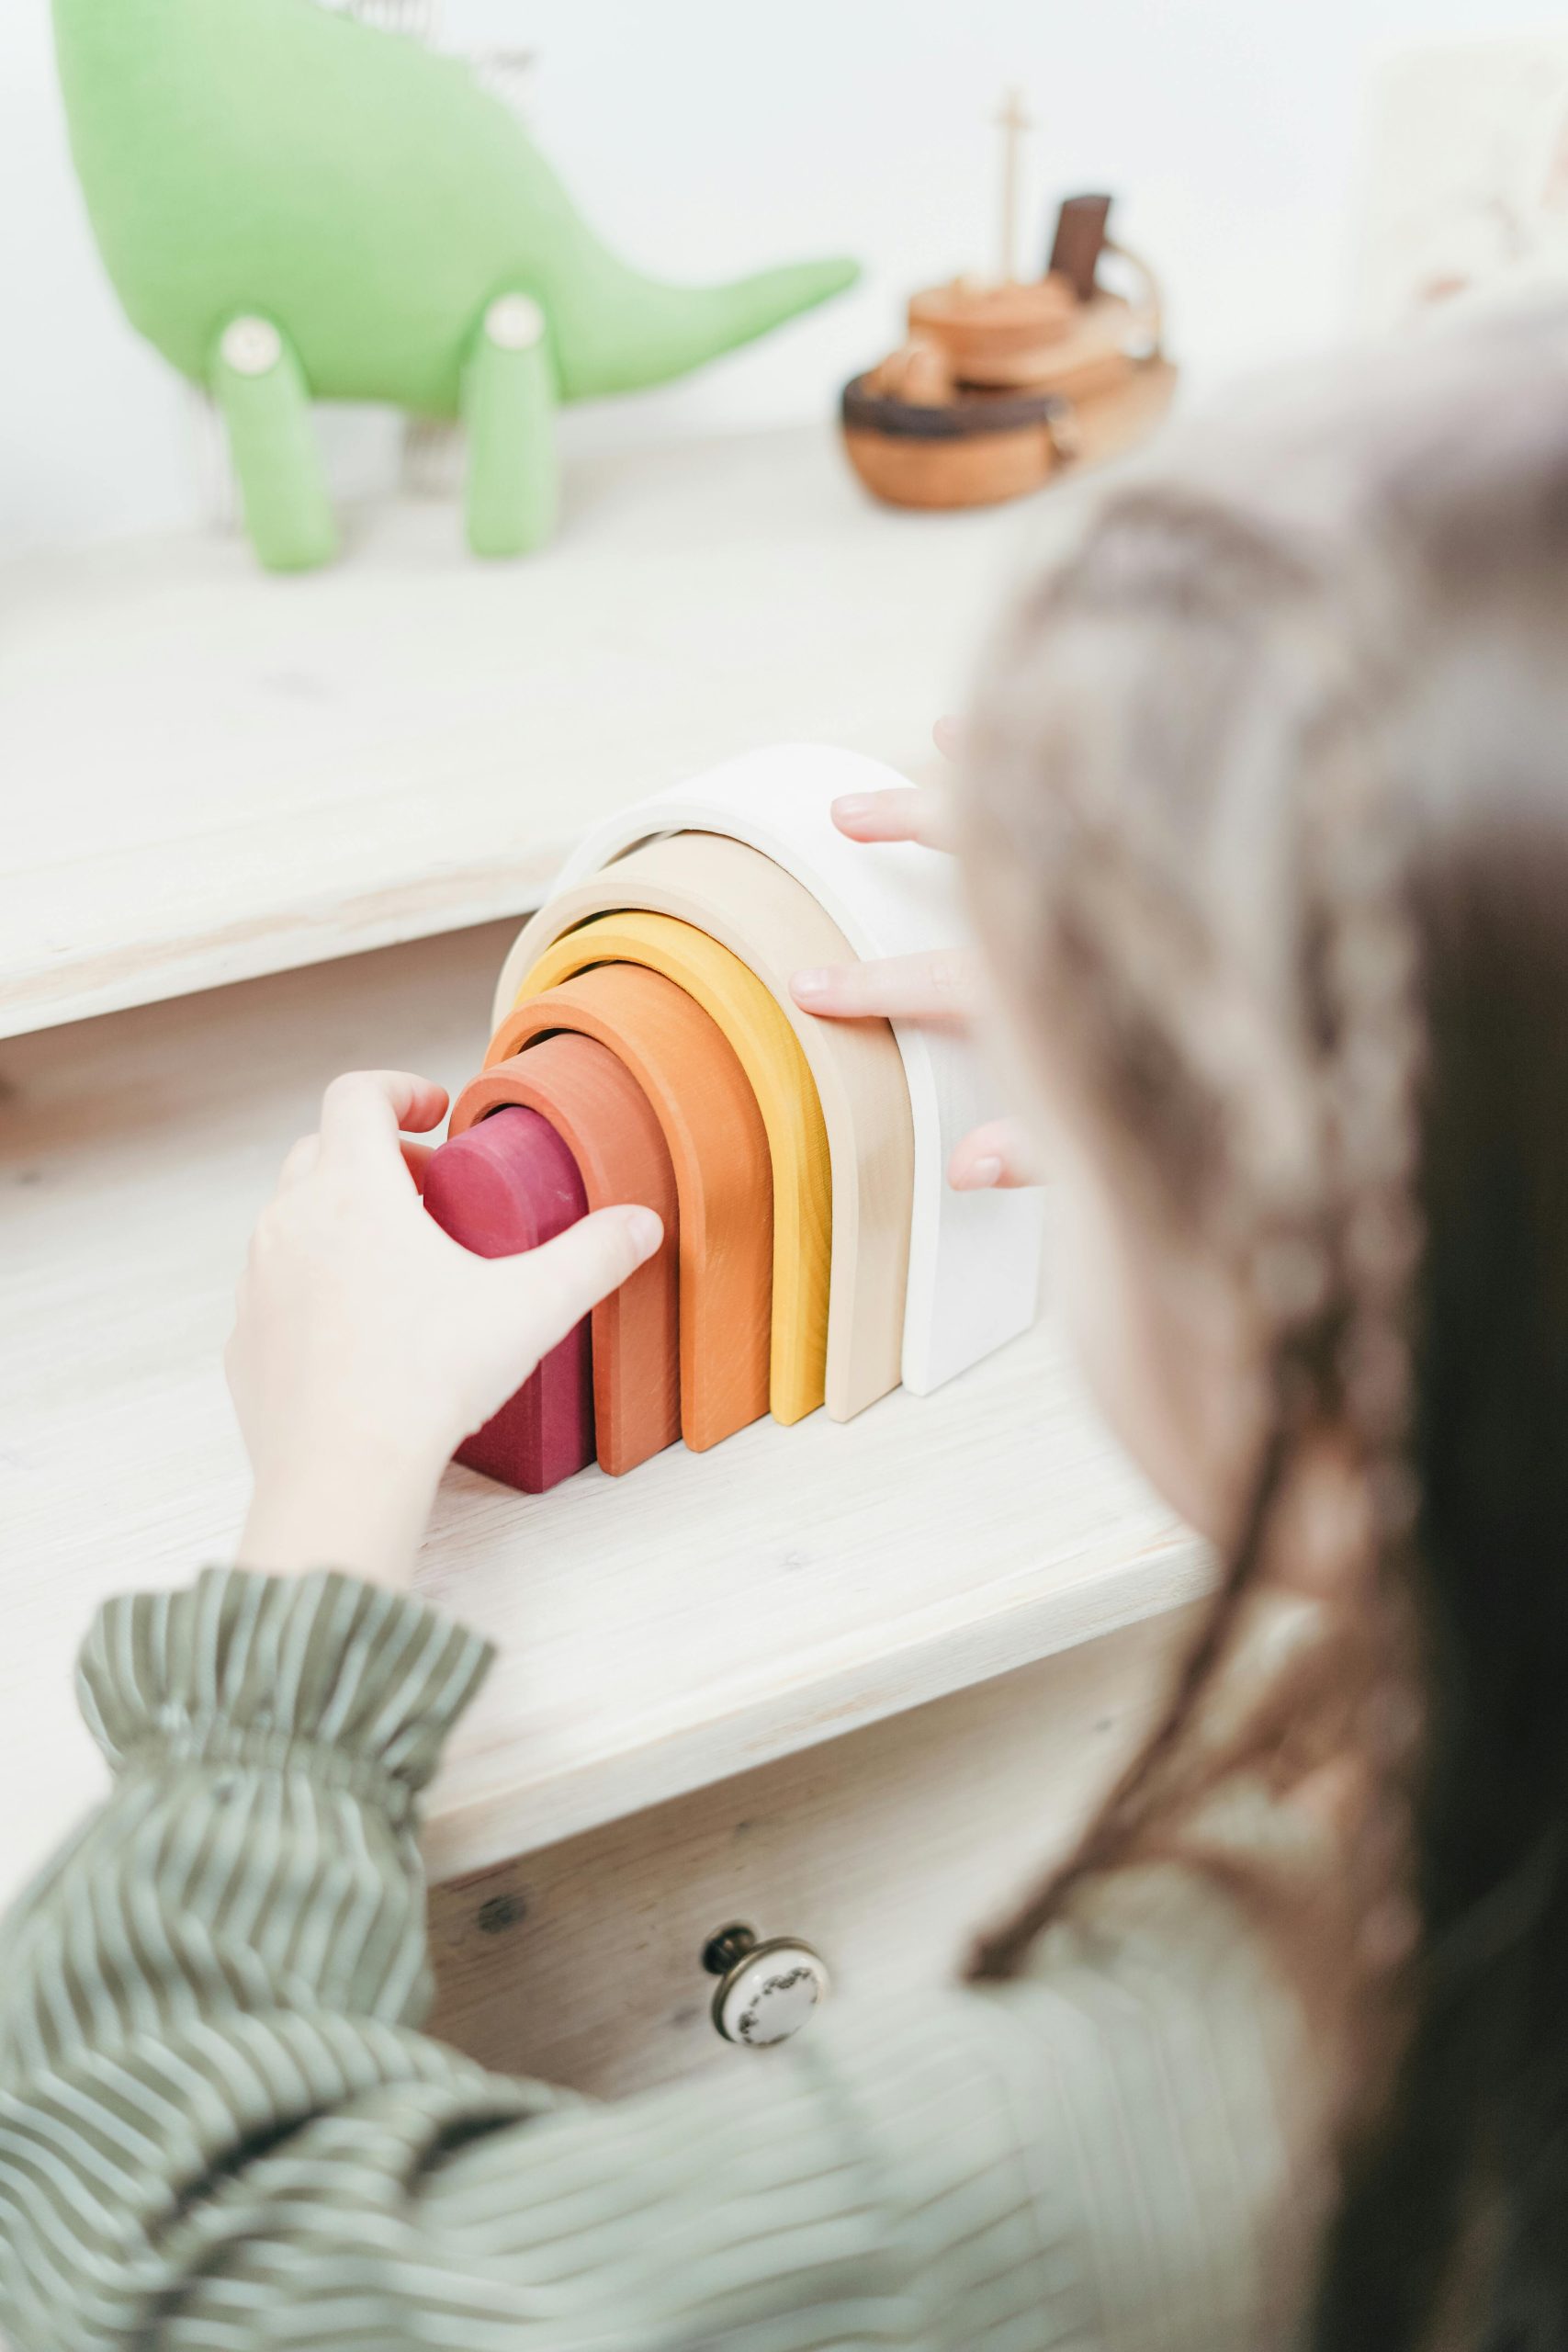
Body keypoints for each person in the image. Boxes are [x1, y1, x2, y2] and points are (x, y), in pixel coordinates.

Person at [4, 295, 1566, 2352]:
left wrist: (323, 1483)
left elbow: (155, 2246)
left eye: (1106, 1132)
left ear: (1317, 1304)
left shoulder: (1178, 2120)